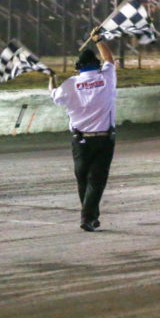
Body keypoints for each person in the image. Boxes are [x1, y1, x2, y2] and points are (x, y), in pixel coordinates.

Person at [50, 30, 117, 232]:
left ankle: (90, 216)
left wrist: (52, 78)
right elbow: (109, 58)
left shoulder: (70, 84)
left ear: (78, 67)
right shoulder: (106, 77)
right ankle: (88, 217)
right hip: (104, 139)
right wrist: (98, 39)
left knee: (83, 179)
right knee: (97, 180)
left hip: (80, 140)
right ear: (97, 65)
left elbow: (54, 96)